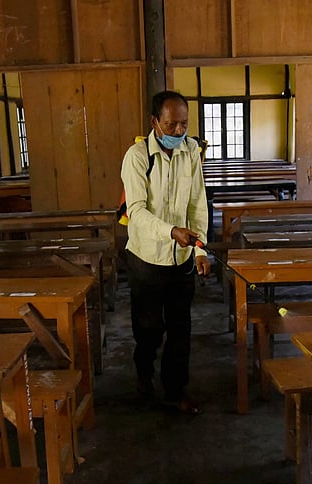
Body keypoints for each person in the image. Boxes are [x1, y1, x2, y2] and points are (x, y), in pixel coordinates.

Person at [120, 90, 210, 415]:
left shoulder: (190, 152)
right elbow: (137, 211)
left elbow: (198, 202)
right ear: (155, 122)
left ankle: (175, 390)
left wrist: (201, 251)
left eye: (184, 124)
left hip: (181, 258)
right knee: (148, 329)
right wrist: (171, 232)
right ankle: (144, 374)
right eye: (171, 124)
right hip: (146, 259)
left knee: (180, 328)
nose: (178, 131)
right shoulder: (138, 156)